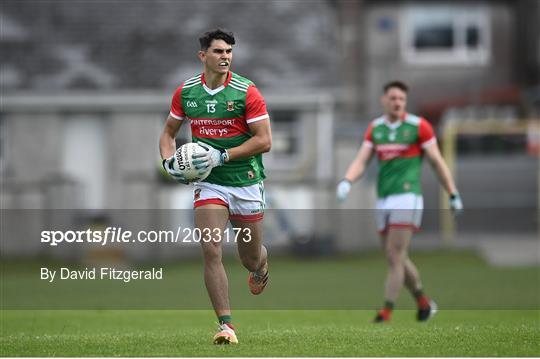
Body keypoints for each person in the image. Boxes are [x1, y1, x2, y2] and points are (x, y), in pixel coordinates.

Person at [159, 29, 272, 344]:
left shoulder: (246, 92)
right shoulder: (186, 92)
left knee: (249, 257)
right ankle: (226, 326)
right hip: (209, 184)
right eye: (219, 51)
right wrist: (169, 161)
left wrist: (221, 155)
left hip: (246, 182)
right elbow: (168, 133)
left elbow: (265, 141)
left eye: (229, 52)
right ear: (203, 56)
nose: (225, 57)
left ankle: (261, 266)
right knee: (211, 250)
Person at [336, 81, 463, 322]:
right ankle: (423, 303)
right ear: (384, 100)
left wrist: (453, 193)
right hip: (383, 199)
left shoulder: (419, 127)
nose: (397, 102)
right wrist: (347, 181)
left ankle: (386, 312)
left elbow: (437, 162)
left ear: (405, 102)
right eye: (393, 98)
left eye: (401, 99)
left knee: (395, 254)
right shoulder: (376, 128)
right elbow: (362, 160)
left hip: (408, 196)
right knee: (396, 257)